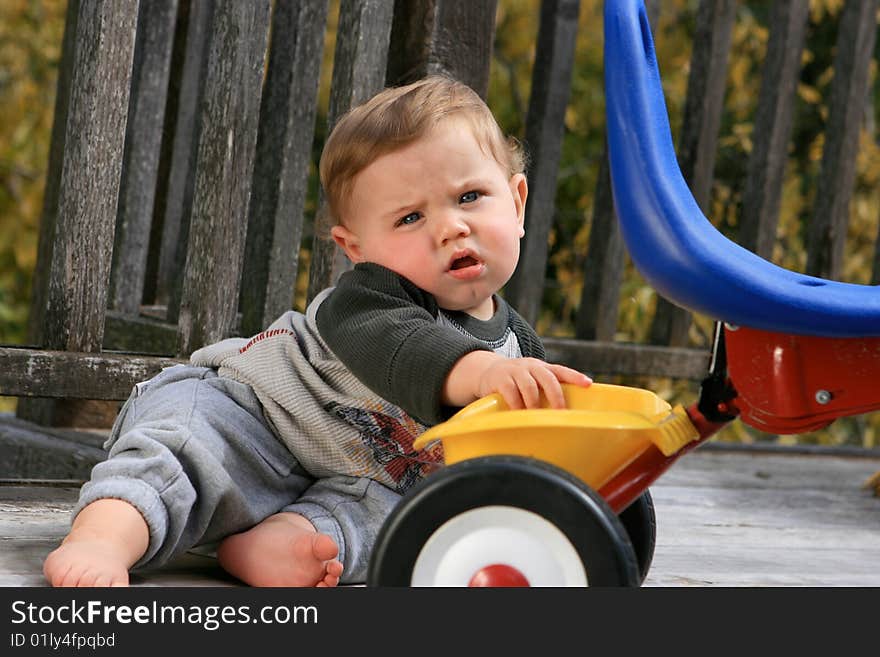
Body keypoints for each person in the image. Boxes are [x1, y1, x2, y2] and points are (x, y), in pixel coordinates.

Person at [42, 75, 592, 588]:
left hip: (357, 472)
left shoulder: (517, 346)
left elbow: (537, 446)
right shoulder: (367, 300)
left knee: (412, 514)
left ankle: (284, 543)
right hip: (251, 415)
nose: (452, 226)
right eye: (410, 218)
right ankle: (105, 536)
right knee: (186, 451)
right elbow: (405, 346)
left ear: (517, 203)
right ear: (356, 248)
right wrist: (487, 373)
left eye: (470, 196)